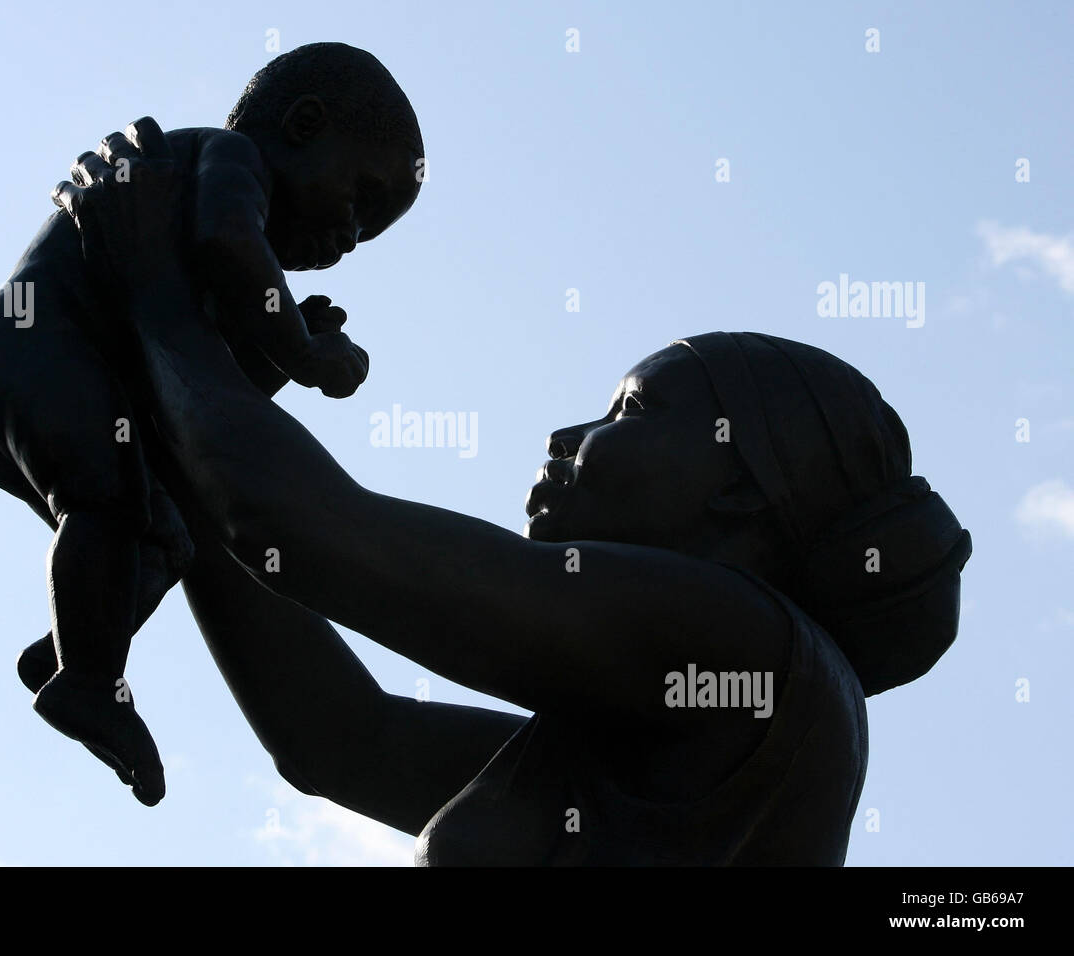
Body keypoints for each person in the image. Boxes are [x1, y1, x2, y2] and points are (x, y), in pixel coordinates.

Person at [53, 118, 972, 864]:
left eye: (629, 411)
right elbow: (337, 738)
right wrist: (171, 425)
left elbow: (302, 525)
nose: (566, 437)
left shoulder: (759, 657)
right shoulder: (641, 747)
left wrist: (154, 298)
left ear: (740, 487)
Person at [0, 44, 424, 806]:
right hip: (29, 351)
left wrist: (268, 358)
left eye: (369, 236)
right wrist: (298, 349)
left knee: (164, 528)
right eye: (360, 200)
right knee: (103, 501)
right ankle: (90, 681)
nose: (350, 239)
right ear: (302, 125)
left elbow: (200, 401)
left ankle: (79, 645)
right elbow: (229, 245)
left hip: (51, 383)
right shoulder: (227, 161)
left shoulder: (191, 217)